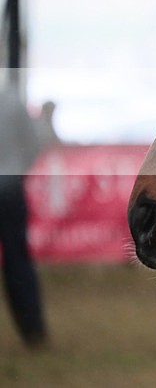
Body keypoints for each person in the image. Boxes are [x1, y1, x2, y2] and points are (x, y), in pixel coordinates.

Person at [0, 83, 48, 349]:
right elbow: (34, 141)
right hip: (9, 189)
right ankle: (33, 332)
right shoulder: (10, 99)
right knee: (18, 261)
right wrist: (19, 171)